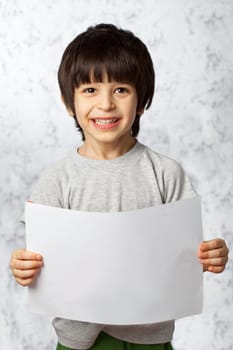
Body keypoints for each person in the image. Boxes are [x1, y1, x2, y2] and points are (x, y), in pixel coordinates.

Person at [10, 24, 229, 350]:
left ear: (142, 100)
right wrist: (22, 266)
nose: (106, 104)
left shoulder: (166, 174)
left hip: (150, 339)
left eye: (121, 89)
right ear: (69, 103)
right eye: (89, 90)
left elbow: (188, 253)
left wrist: (212, 255)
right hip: (78, 341)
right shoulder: (57, 181)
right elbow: (40, 259)